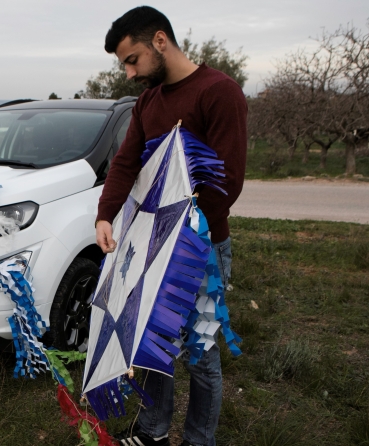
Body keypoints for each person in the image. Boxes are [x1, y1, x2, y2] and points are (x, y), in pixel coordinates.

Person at [95, 7, 247, 446]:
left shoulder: (219, 92)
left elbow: (228, 181)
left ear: (160, 41)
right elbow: (126, 163)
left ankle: (199, 440)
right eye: (124, 64)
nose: (128, 73)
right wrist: (106, 214)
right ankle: (152, 432)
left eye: (132, 59)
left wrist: (181, 238)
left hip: (199, 250)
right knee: (150, 341)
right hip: (149, 245)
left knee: (200, 355)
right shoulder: (148, 102)